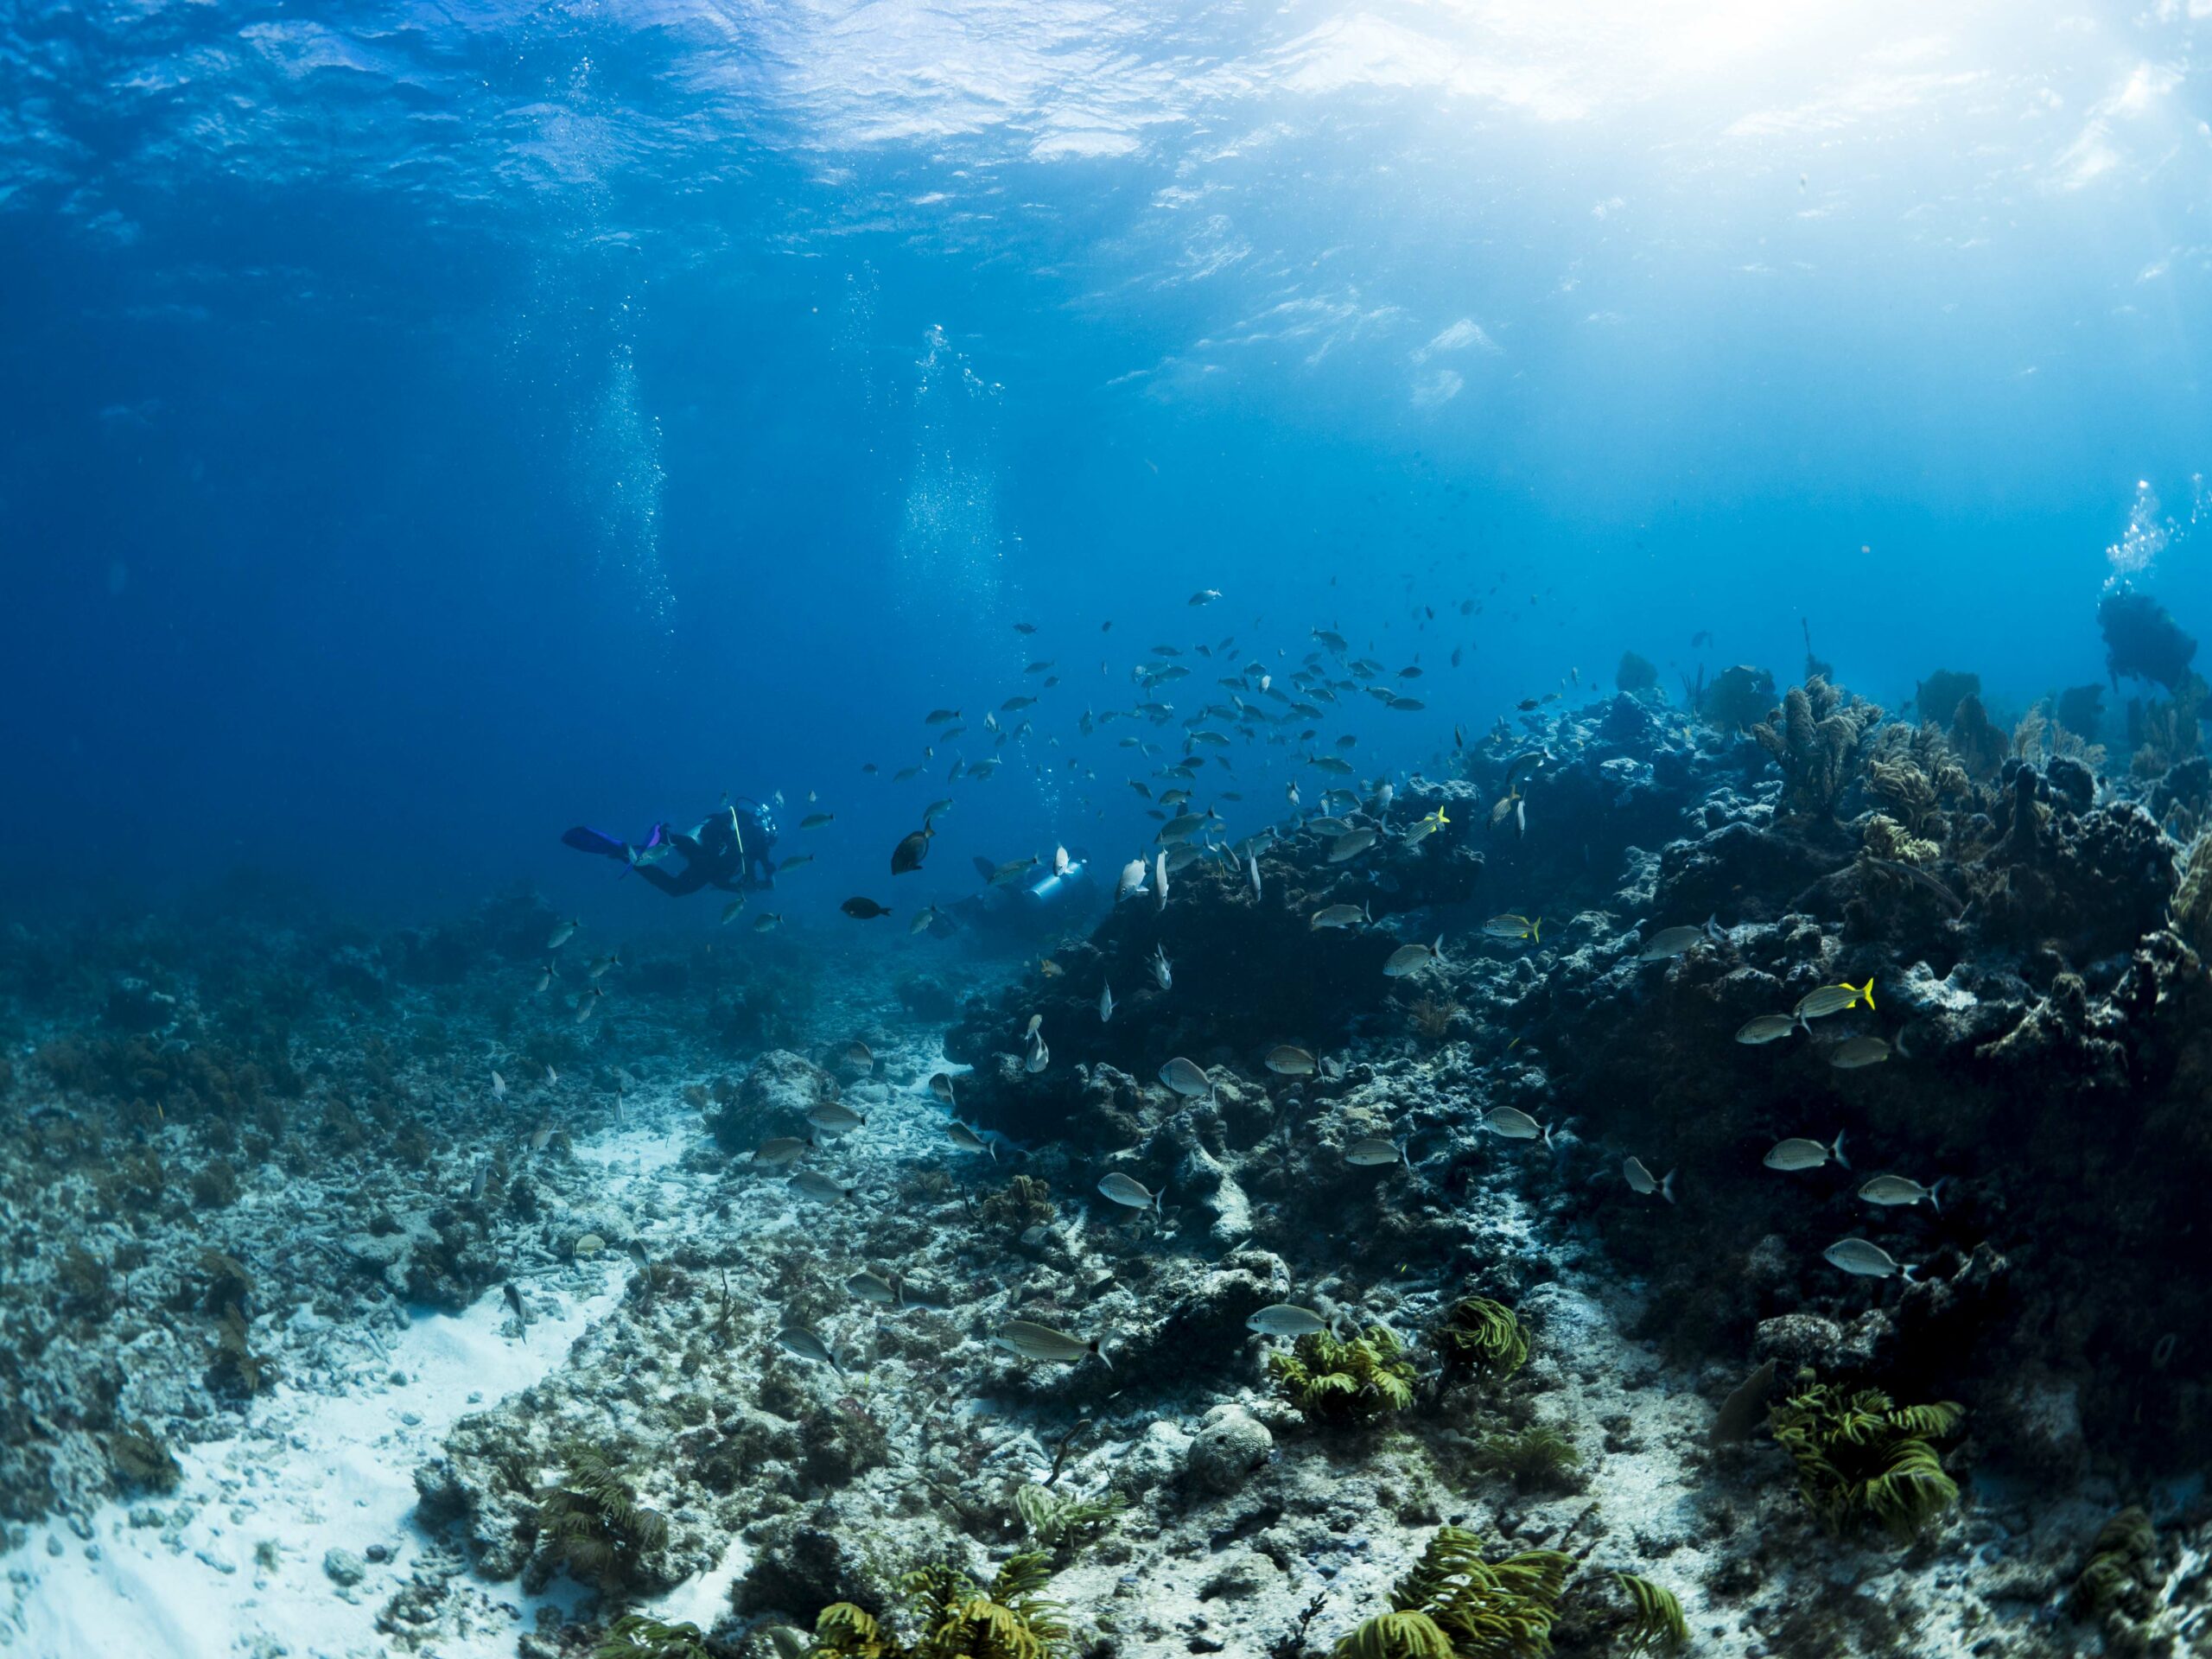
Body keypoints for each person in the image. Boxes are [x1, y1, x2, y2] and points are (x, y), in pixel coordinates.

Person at [562, 798, 779, 896]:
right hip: (707, 859)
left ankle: (635, 850)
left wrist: (735, 886)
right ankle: (641, 849)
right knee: (677, 887)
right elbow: (761, 867)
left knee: (678, 885)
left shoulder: (743, 824)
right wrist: (765, 881)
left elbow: (726, 875)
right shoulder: (756, 839)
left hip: (701, 853)